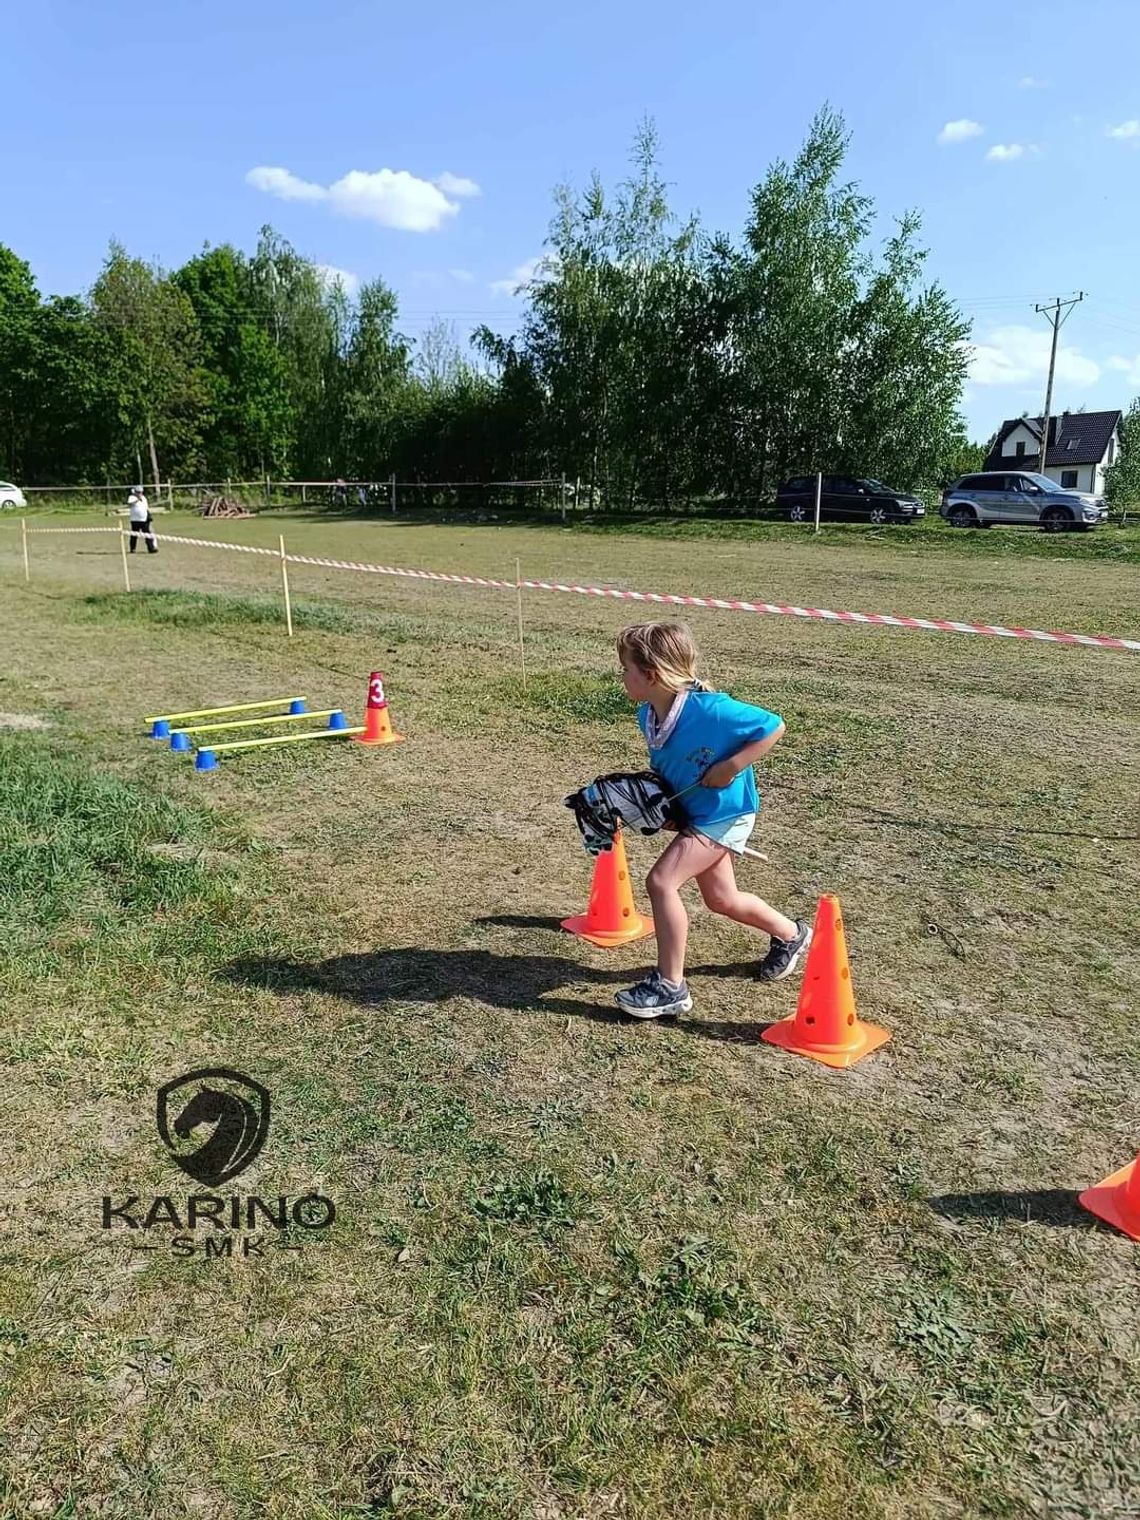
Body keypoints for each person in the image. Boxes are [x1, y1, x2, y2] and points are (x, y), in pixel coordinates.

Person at [612, 620, 811, 1019]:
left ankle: (670, 986)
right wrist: (666, 807)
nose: (622, 677)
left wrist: (731, 766)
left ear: (650, 675)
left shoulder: (713, 710)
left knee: (661, 881)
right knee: (721, 899)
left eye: (626, 670)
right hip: (698, 813)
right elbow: (671, 767)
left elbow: (773, 725)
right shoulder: (647, 715)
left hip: (726, 813)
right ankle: (792, 935)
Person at [127, 486, 157, 554]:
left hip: (144, 519)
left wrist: (148, 516)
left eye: (141, 492)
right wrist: (137, 499)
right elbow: (130, 503)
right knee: (134, 535)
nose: (140, 493)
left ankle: (151, 548)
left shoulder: (144, 498)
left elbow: (146, 508)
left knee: (147, 534)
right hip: (135, 520)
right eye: (138, 492)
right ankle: (133, 548)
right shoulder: (132, 497)